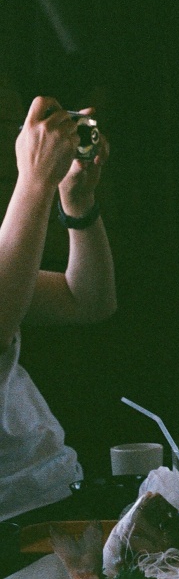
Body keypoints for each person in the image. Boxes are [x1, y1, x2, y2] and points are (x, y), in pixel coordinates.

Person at [0, 96, 116, 523]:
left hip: (55, 492)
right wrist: (34, 181)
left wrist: (77, 201)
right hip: (11, 520)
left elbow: (86, 300)